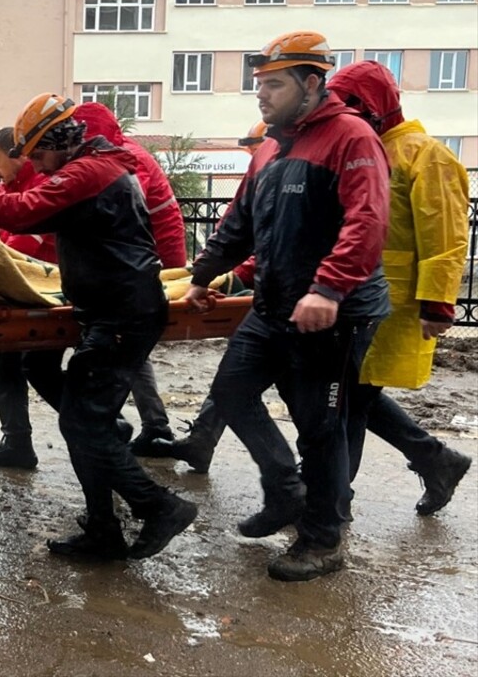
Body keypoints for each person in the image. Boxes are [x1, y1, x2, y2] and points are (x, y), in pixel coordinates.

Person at [0, 93, 197, 562]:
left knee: (83, 422)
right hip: (112, 309)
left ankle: (158, 506)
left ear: (58, 141)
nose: (36, 166)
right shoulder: (99, 167)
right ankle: (103, 524)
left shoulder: (89, 173)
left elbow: (18, 212)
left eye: (38, 154)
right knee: (69, 402)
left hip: (122, 314)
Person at [185, 31, 390, 581]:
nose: (262, 95)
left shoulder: (352, 139)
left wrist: (328, 288)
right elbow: (240, 221)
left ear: (311, 83)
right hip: (275, 304)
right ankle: (285, 490)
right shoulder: (273, 147)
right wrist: (204, 275)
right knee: (230, 389)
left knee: (318, 425)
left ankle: (323, 541)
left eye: (273, 84)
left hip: (335, 313)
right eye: (260, 84)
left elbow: (366, 222)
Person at [328, 60, 472, 515]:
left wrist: (438, 303)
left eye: (351, 103)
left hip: (398, 303)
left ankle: (332, 501)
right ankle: (434, 458)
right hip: (358, 295)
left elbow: (446, 234)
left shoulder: (425, 155)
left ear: (374, 104)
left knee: (349, 397)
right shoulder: (362, 147)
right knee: (353, 392)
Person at [146, 122, 269, 474]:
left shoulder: (289, 171)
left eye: (254, 151)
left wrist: (236, 275)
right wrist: (205, 272)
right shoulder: (267, 175)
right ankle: (203, 440)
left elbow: (286, 239)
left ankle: (304, 490)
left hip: (306, 299)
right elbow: (237, 231)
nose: (252, 160)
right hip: (278, 292)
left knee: (329, 396)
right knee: (236, 376)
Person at [73, 101, 188, 455]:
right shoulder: (116, 156)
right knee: (129, 352)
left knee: (124, 349)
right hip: (146, 263)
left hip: (155, 266)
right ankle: (149, 425)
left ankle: (138, 426)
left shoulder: (121, 162)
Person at [0, 127, 54, 470]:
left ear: (17, 156)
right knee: (25, 366)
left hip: (40, 290)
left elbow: (19, 249)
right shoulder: (14, 187)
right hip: (29, 290)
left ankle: (18, 442)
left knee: (26, 366)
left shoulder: (40, 189)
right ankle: (17, 441)